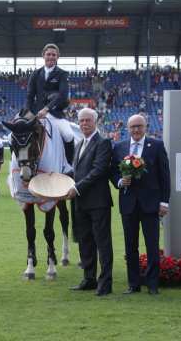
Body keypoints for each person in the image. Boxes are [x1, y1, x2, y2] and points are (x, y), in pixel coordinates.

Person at [111, 114, 170, 295]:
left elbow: (165, 176)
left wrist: (164, 202)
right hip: (128, 204)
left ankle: (152, 285)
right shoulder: (119, 147)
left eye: (139, 126)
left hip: (150, 204)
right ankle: (133, 284)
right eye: (133, 127)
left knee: (152, 245)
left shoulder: (157, 145)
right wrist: (120, 181)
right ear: (128, 128)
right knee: (131, 246)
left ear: (146, 127)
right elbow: (113, 172)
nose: (136, 130)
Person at [65, 108, 113, 296]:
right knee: (85, 242)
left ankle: (106, 283)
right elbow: (76, 173)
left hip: (98, 202)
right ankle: (89, 279)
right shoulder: (79, 145)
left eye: (88, 120)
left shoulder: (103, 143)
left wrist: (76, 188)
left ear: (96, 122)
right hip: (80, 202)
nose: (84, 124)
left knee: (102, 243)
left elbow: (98, 170)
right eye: (81, 121)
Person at [26, 43, 75, 164]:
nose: (51, 57)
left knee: (68, 135)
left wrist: (46, 109)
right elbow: (30, 96)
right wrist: (28, 113)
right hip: (36, 114)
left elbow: (63, 95)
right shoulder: (35, 74)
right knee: (18, 134)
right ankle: (20, 165)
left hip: (55, 113)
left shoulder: (62, 74)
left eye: (54, 55)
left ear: (57, 57)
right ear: (43, 55)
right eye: (48, 54)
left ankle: (70, 165)